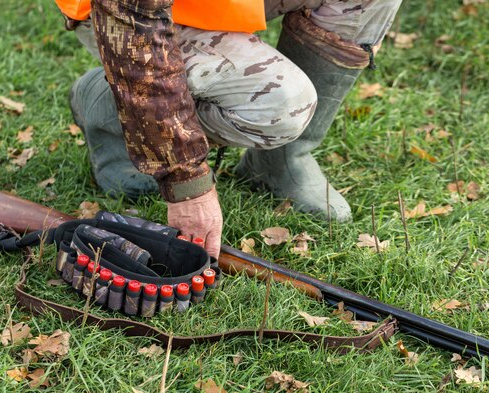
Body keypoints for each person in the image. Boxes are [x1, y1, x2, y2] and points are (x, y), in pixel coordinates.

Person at [56, 0, 403, 259]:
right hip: (130, 19)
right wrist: (187, 183)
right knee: (282, 105)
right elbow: (134, 22)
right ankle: (107, 102)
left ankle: (279, 160)